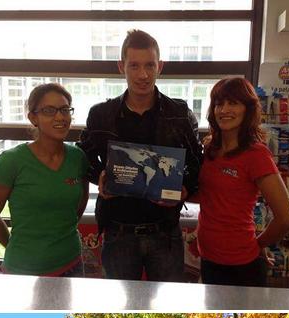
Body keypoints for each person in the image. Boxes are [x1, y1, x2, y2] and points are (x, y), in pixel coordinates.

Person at [78, 29, 202, 282]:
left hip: (165, 232)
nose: (143, 75)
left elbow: (197, 160)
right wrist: (99, 177)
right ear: (121, 66)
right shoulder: (100, 114)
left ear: (160, 67)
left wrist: (186, 189)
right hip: (118, 232)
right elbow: (83, 156)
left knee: (169, 309)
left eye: (149, 65)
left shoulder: (179, 113)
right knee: (119, 308)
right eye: (134, 66)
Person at [195, 77, 289, 287]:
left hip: (242, 265)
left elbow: (286, 218)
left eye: (233, 103)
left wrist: (258, 245)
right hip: (208, 258)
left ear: (248, 109)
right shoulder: (209, 149)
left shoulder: (256, 155)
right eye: (219, 103)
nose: (224, 110)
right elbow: (208, 195)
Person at [0, 83, 89, 276]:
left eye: (65, 110)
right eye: (49, 111)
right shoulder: (11, 161)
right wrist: (16, 246)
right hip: (23, 269)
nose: (60, 117)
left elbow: (79, 205)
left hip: (71, 263)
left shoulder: (77, 157)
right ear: (33, 117)